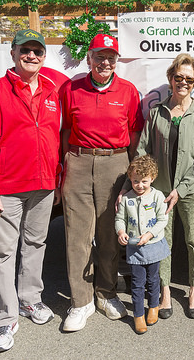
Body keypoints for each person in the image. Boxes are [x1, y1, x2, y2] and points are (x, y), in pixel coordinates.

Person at [0, 29, 66, 353]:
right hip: (4, 189)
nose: (32, 56)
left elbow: (57, 140)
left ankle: (30, 301)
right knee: (2, 254)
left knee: (36, 244)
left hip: (44, 186)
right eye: (25, 50)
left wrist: (59, 180)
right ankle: (5, 319)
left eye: (38, 51)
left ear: (44, 56)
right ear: (13, 53)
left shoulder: (52, 92)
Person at [60, 33, 144, 332]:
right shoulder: (71, 89)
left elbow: (134, 132)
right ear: (89, 58)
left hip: (115, 162)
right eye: (99, 56)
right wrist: (64, 166)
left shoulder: (128, 91)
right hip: (79, 161)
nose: (105, 61)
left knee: (110, 234)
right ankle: (80, 301)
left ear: (116, 61)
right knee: (77, 236)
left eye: (110, 57)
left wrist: (132, 172)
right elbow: (65, 129)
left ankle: (106, 293)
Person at [136, 53, 194, 319]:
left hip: (190, 191)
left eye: (189, 79)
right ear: (170, 79)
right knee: (162, 241)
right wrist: (142, 184)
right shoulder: (157, 113)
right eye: (178, 77)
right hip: (159, 191)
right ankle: (165, 290)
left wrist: (181, 188)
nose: (183, 82)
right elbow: (143, 150)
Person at [115, 155, 170, 334]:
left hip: (153, 245)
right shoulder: (127, 199)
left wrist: (149, 234)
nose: (140, 185)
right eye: (135, 181)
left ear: (152, 178)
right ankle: (138, 315)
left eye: (144, 181)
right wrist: (121, 232)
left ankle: (153, 306)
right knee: (138, 283)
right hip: (135, 249)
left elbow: (162, 220)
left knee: (153, 279)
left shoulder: (157, 196)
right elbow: (120, 219)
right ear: (130, 179)